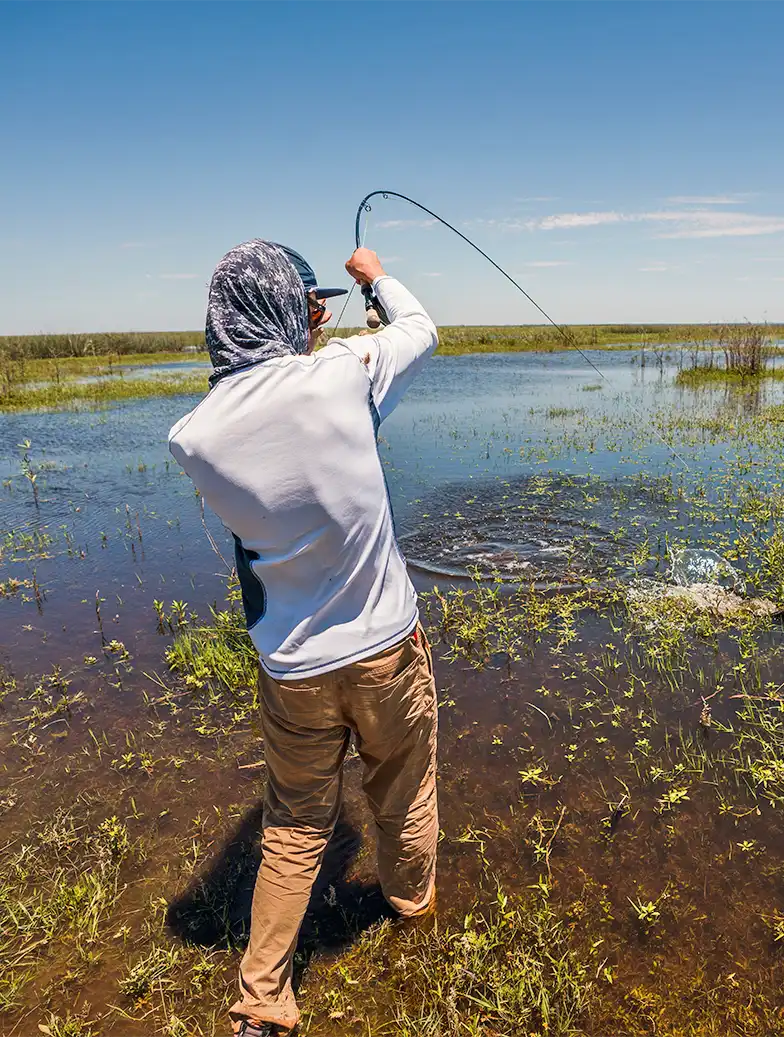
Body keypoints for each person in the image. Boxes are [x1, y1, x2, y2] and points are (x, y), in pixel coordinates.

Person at [168, 239, 440, 1036]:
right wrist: (374, 279)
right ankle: (411, 905)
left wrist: (310, 330)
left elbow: (263, 402)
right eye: (305, 302)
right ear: (290, 309)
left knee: (291, 827)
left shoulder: (192, 438)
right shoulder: (342, 376)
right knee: (404, 789)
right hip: (387, 649)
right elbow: (421, 328)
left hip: (291, 669)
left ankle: (262, 1001)